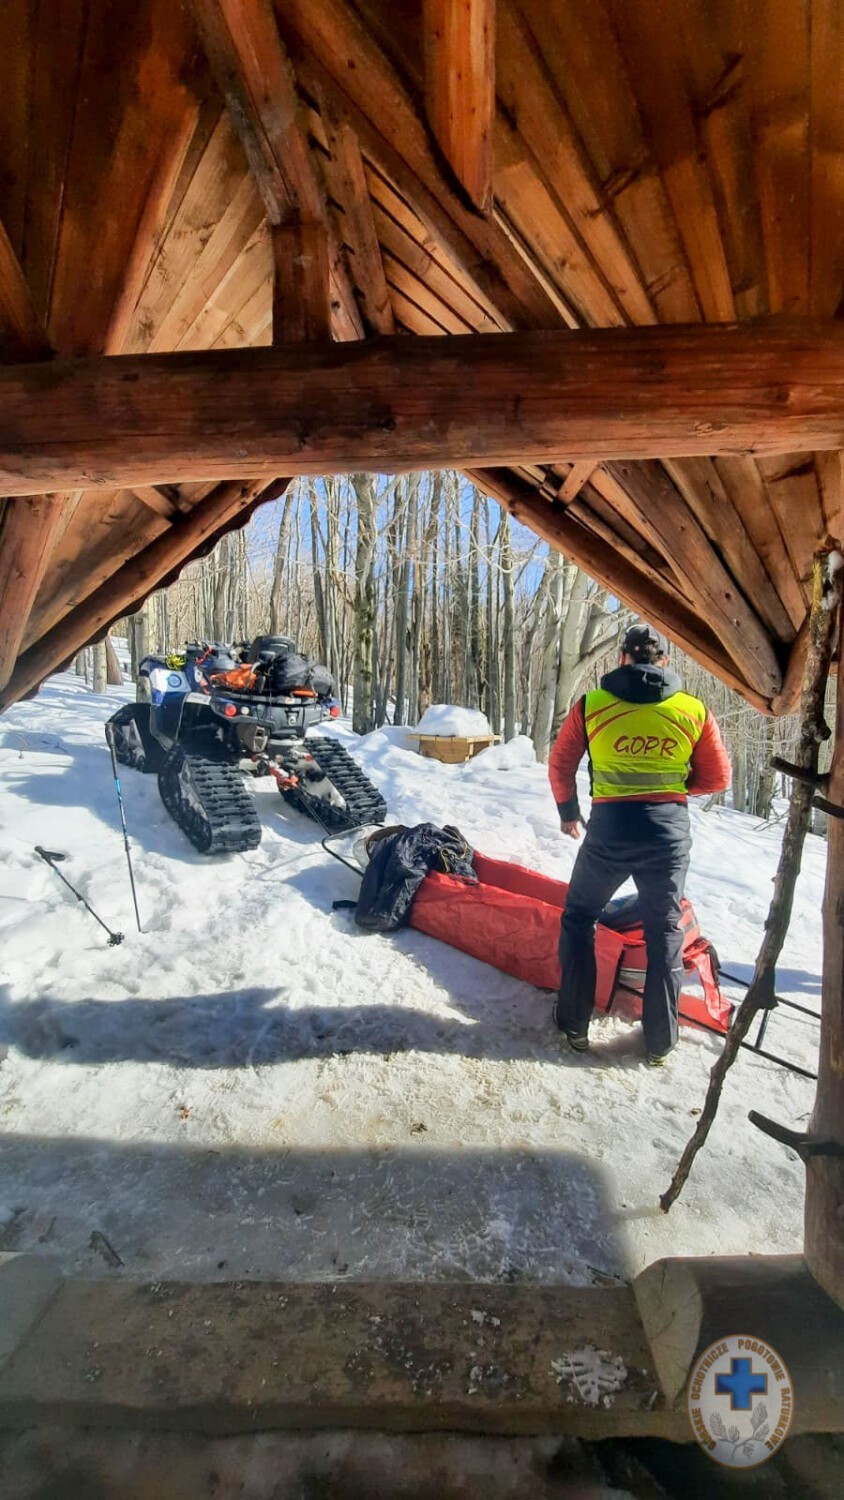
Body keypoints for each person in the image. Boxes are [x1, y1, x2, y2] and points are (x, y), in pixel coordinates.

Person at [549, 622, 731, 1064]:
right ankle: (659, 1044)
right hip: (667, 836)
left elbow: (560, 765)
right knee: (664, 932)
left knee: (579, 919)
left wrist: (569, 812)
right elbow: (719, 776)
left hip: (609, 831)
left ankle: (574, 1025)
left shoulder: (592, 705)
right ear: (663, 662)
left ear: (622, 660)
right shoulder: (693, 709)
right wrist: (677, 787)